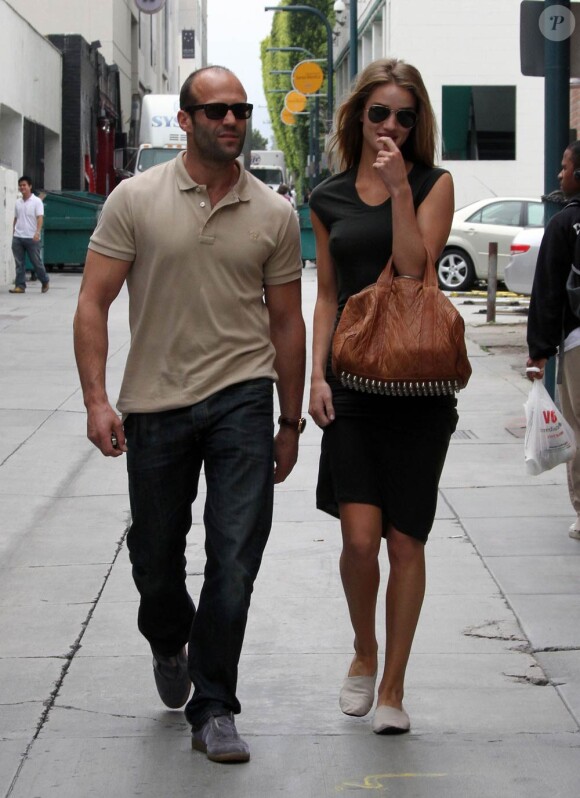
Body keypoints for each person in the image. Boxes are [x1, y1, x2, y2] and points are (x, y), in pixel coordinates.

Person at [73, 65, 306, 763]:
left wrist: (289, 422)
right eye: (216, 111)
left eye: (239, 110)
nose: (231, 121)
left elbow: (288, 325)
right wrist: (95, 400)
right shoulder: (135, 199)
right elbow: (92, 302)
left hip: (242, 396)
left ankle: (214, 706)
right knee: (157, 561)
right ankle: (168, 636)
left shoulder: (275, 214)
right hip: (156, 403)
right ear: (186, 121)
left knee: (235, 557)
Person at [308, 58, 457, 735]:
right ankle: (364, 650)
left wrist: (400, 190)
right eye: (380, 114)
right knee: (360, 540)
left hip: (418, 388)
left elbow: (413, 267)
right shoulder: (328, 195)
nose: (392, 125)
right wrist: (315, 375)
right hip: (353, 386)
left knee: (405, 540)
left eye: (406, 115)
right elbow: (327, 296)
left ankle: (393, 686)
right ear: (358, 117)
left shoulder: (433, 183)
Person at [526, 140, 580, 540]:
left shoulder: (565, 224)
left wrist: (539, 353)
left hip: (577, 343)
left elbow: (548, 292)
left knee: (576, 426)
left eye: (565, 167)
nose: (560, 175)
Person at [9, 176, 50, 294]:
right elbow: (16, 218)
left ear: (30, 186)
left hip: (32, 237)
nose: (22, 188)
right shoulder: (18, 202)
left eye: (24, 185)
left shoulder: (37, 202)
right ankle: (20, 285)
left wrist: (37, 233)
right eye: (20, 185)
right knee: (19, 263)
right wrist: (13, 232)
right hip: (18, 237)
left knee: (36, 262)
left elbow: (40, 218)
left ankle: (45, 280)